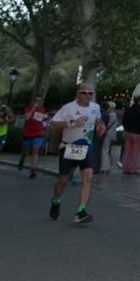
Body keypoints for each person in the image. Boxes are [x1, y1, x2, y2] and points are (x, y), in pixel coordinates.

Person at [48, 82, 102, 224]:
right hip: (69, 147)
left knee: (88, 178)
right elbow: (53, 124)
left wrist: (100, 125)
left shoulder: (95, 107)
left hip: (87, 148)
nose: (87, 95)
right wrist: (72, 123)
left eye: (90, 93)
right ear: (78, 93)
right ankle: (56, 200)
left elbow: (98, 119)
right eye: (84, 92)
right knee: (63, 180)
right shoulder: (68, 107)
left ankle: (81, 211)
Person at [19, 96, 48, 178]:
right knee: (25, 151)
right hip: (28, 133)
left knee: (35, 151)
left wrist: (45, 119)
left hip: (38, 133)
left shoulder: (43, 109)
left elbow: (44, 120)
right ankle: (22, 159)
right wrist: (33, 109)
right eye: (36, 100)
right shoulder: (28, 108)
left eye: (39, 101)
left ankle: (33, 170)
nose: (38, 102)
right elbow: (27, 117)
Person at [121, 99, 140, 175]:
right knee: (135, 151)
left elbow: (124, 121)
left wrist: (126, 128)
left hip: (127, 132)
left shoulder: (128, 110)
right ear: (139, 102)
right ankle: (133, 169)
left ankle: (125, 168)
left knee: (127, 151)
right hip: (136, 133)